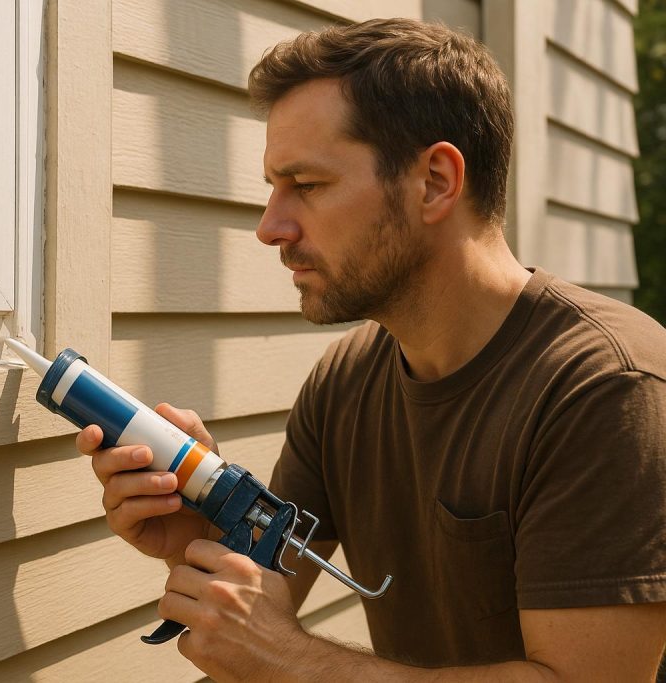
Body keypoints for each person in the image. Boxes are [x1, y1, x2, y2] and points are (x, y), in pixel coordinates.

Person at [77, 18, 666, 681]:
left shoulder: (606, 384)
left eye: (307, 184)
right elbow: (262, 609)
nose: (271, 226)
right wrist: (205, 538)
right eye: (274, 187)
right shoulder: (345, 382)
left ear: (436, 182)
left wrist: (292, 659)